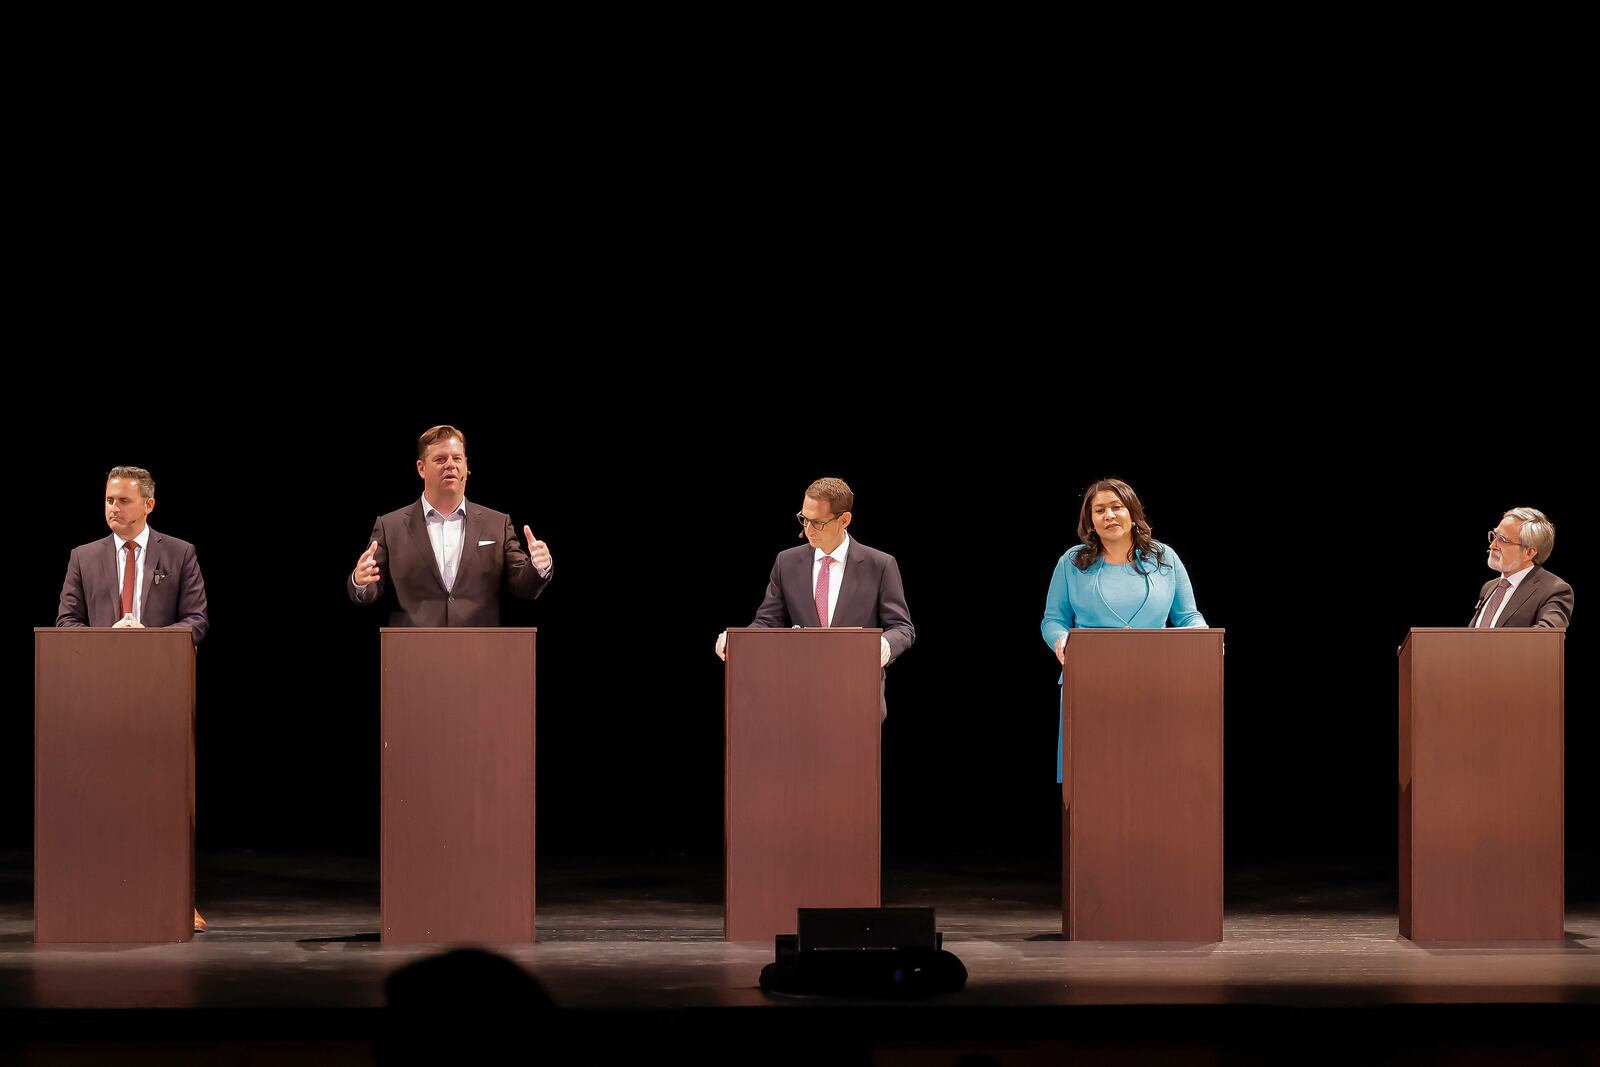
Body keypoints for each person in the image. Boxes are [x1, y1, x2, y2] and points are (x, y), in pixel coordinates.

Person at [56, 464, 211, 932]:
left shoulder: (180, 553)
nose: (112, 509)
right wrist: (109, 639)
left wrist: (151, 640)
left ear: (148, 504)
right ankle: (101, 894)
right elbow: (66, 623)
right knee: (103, 800)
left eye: (122, 501)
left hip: (159, 698)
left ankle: (179, 900)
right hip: (100, 700)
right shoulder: (83, 556)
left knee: (165, 801)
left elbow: (197, 620)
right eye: (108, 500)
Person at [1040, 478, 1206, 780]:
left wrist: (1204, 638)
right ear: (1090, 520)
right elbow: (1053, 619)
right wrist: (1060, 638)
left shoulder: (1164, 558)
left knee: (1154, 780)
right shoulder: (1072, 562)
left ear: (1132, 512)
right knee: (1094, 782)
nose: (1109, 515)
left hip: (1158, 686)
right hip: (1091, 688)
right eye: (1100, 510)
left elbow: (1189, 617)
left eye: (1117, 507)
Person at [716, 477, 914, 715]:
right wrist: (738, 641)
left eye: (817, 523)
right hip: (796, 697)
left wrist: (885, 644)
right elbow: (767, 622)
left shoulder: (880, 565)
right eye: (804, 519)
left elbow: (902, 627)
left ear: (844, 520)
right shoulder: (786, 562)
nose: (807, 530)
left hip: (857, 699)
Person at [349, 425, 552, 624]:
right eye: (440, 459)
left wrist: (538, 567)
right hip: (413, 651)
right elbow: (369, 589)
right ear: (421, 468)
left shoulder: (497, 524)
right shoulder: (390, 526)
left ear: (466, 466)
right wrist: (360, 581)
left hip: (480, 651)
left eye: (457, 458)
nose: (450, 465)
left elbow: (523, 587)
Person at [1473, 506, 1572, 628]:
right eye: (1494, 536)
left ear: (1529, 552)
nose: (1493, 545)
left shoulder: (1554, 590)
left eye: (1503, 539)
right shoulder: (1489, 587)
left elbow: (1547, 638)